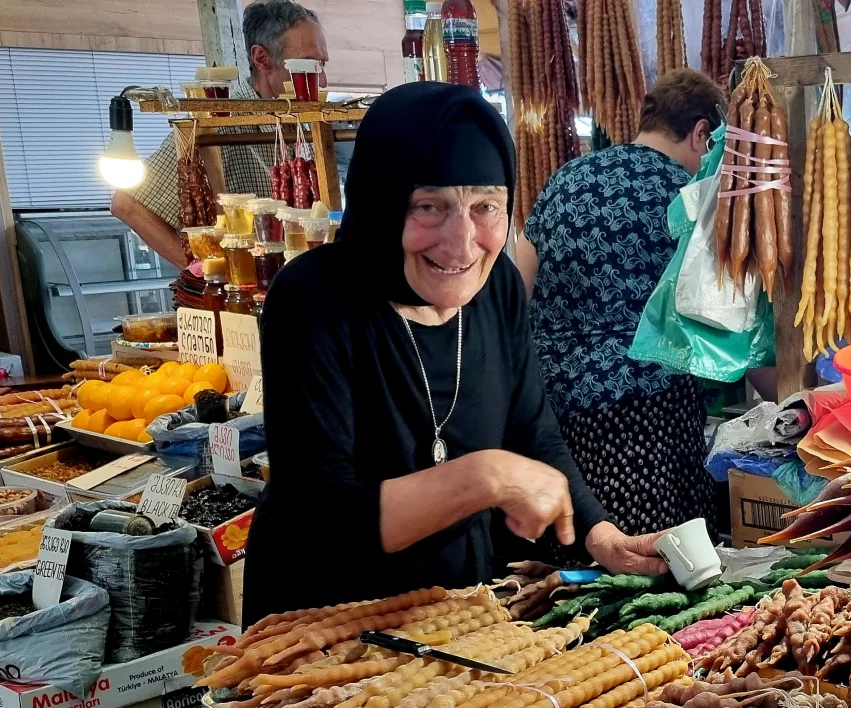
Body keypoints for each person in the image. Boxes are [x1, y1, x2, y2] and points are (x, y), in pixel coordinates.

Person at [244, 82, 668, 625]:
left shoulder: (499, 289)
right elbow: (327, 519)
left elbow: (532, 430)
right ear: (381, 202)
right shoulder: (312, 301)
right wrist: (484, 478)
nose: (462, 243)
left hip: (449, 613)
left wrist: (599, 535)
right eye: (430, 206)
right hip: (321, 622)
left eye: (486, 205)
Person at [513, 69, 725, 540]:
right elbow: (721, 321)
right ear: (700, 134)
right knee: (658, 566)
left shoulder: (566, 177)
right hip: (651, 419)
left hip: (558, 418)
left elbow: (514, 291)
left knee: (578, 567)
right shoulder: (691, 197)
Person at [111, 0, 330, 268]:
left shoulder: (301, 125)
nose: (322, 82)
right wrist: (204, 273)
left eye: (322, 66)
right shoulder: (221, 122)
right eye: (307, 66)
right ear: (262, 58)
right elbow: (127, 204)